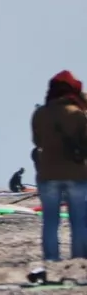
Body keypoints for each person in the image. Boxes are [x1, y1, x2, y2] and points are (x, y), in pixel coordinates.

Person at [31, 70, 87, 263]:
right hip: (76, 173)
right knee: (79, 221)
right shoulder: (78, 114)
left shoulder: (40, 114)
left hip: (48, 174)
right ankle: (78, 260)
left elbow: (37, 141)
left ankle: (51, 259)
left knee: (50, 222)